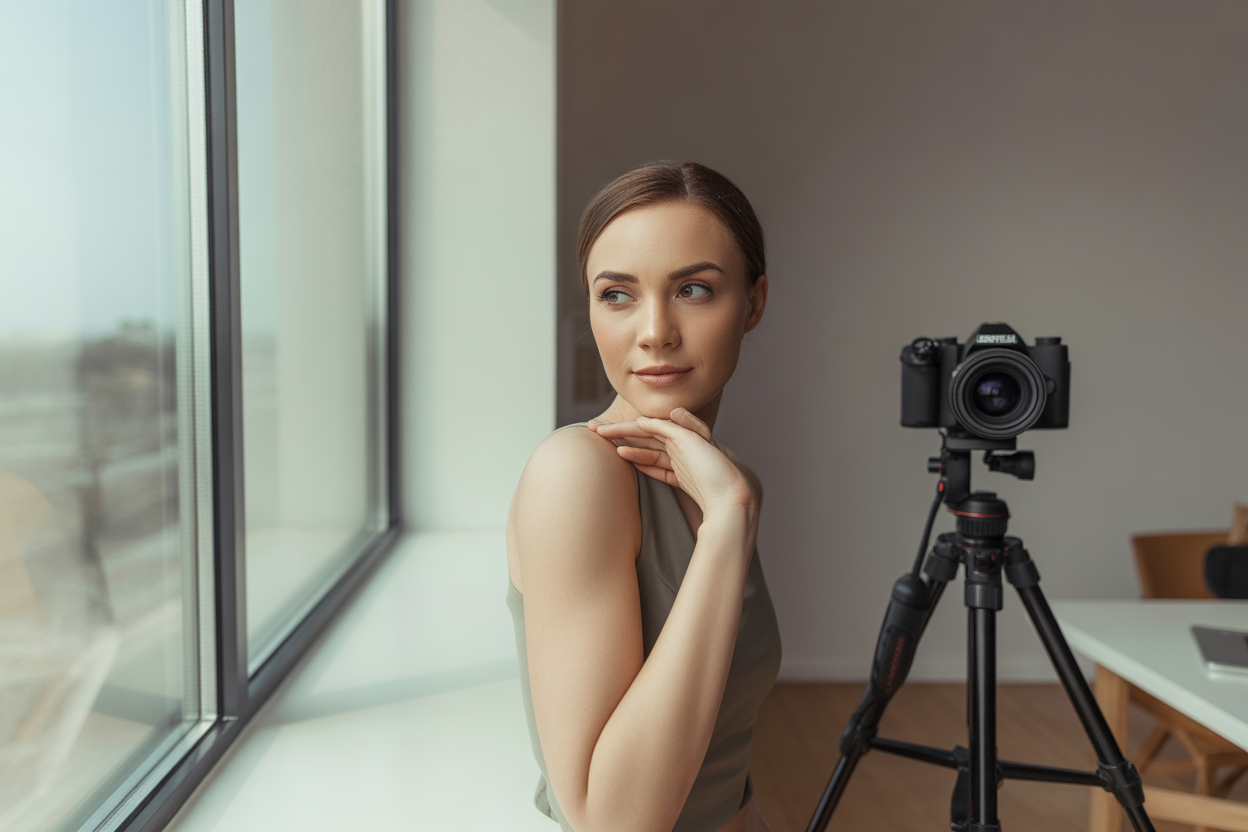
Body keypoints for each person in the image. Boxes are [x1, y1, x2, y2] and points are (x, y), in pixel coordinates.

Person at [507, 161, 781, 832]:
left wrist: (729, 509)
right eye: (618, 295)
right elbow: (614, 823)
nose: (655, 330)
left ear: (752, 303)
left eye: (692, 288)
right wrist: (727, 526)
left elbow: (722, 766)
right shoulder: (576, 475)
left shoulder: (722, 482)